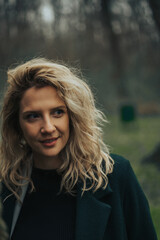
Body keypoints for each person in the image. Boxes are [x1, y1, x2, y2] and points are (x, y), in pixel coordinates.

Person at [0, 58, 157, 240]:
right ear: (17, 125)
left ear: (72, 116)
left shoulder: (116, 176)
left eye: (57, 112)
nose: (48, 127)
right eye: (33, 116)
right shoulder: (7, 189)